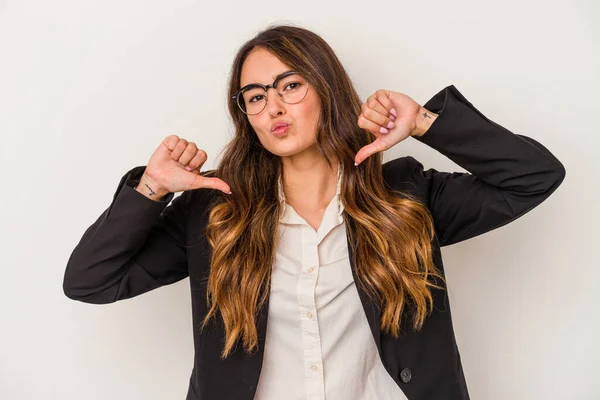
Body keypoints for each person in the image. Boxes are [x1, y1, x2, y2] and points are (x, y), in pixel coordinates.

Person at [63, 24, 566, 400]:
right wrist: (151, 188)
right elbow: (90, 281)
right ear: (247, 117)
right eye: (255, 97)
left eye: (291, 85)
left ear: (326, 88)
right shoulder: (216, 214)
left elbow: (534, 177)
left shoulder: (403, 195)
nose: (274, 107)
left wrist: (424, 122)